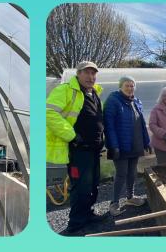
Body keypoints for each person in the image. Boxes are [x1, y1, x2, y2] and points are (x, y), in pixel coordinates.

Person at [46, 61, 106, 234]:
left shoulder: (94, 93)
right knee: (80, 186)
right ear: (78, 74)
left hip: (93, 150)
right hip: (78, 150)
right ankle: (76, 223)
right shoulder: (65, 90)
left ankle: (87, 214)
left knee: (93, 184)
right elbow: (49, 113)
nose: (90, 77)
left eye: (93, 73)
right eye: (86, 73)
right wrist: (72, 136)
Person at [103, 76, 151, 216]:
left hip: (135, 144)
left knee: (132, 172)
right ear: (120, 87)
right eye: (127, 85)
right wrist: (114, 145)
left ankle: (130, 197)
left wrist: (146, 141)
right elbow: (109, 126)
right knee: (121, 173)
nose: (130, 88)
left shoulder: (136, 101)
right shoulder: (113, 101)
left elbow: (141, 124)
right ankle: (114, 202)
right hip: (120, 145)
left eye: (132, 86)